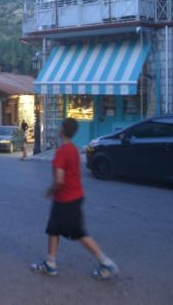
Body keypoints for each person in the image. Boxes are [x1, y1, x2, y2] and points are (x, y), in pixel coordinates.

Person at [30, 118, 118, 279]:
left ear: (62, 131)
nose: (58, 128)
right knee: (53, 229)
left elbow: (59, 180)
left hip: (66, 200)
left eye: (59, 126)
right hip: (73, 197)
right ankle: (51, 264)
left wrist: (50, 190)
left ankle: (106, 262)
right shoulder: (73, 149)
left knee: (79, 233)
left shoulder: (62, 152)